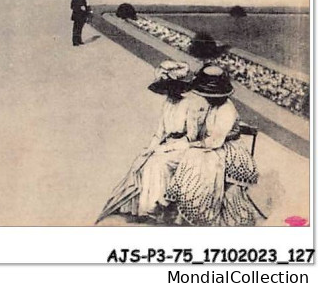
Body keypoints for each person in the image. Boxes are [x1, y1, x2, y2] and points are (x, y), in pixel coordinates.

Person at [97, 61, 204, 223]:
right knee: (144, 160)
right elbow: (159, 132)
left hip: (184, 148)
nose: (169, 92)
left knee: (159, 163)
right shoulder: (167, 104)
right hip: (167, 145)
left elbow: (191, 138)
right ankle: (144, 208)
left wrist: (168, 148)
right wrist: (152, 147)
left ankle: (160, 209)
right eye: (167, 88)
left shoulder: (189, 105)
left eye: (172, 87)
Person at [165, 65, 260, 226]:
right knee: (192, 159)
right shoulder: (211, 105)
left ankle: (202, 211)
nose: (206, 97)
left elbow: (215, 141)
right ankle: (185, 207)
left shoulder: (226, 110)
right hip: (212, 146)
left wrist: (193, 145)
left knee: (200, 163)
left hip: (230, 149)